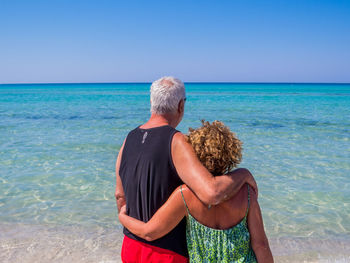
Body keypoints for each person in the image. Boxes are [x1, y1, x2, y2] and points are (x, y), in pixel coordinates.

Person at [115, 77, 258, 262]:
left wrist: (127, 220)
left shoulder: (128, 139)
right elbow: (212, 192)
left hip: (130, 246)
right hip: (167, 253)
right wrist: (243, 174)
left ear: (152, 103)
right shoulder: (176, 141)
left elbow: (120, 196)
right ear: (181, 105)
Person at [119, 120, 273, 263]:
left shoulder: (185, 195)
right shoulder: (246, 193)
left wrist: (123, 217)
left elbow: (149, 232)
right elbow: (261, 245)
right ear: (231, 153)